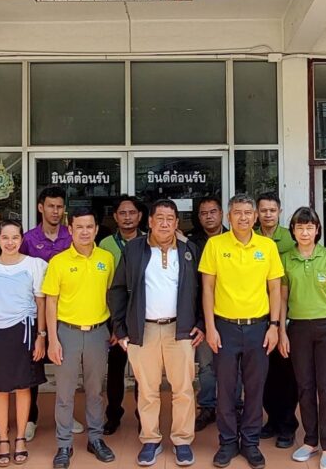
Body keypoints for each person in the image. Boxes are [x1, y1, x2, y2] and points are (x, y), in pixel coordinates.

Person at [108, 199, 204, 467]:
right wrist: (121, 329)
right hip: (144, 329)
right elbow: (118, 290)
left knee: (183, 389)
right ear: (149, 221)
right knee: (147, 390)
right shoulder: (134, 249)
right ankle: (150, 439)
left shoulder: (189, 250)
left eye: (170, 219)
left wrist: (201, 323)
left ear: (177, 223)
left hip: (180, 330)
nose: (164, 223)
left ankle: (182, 440)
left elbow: (201, 290)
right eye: (159, 218)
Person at [200, 194, 284, 469]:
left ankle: (250, 442)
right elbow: (208, 288)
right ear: (229, 216)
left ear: (255, 216)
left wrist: (274, 326)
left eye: (248, 213)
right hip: (224, 327)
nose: (243, 217)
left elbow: (275, 289)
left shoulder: (267, 247)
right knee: (225, 389)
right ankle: (227, 442)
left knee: (255, 388)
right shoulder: (215, 245)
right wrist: (210, 327)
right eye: (237, 212)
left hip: (259, 327)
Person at [43, 208, 117, 469]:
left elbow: (111, 294)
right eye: (79, 227)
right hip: (67, 333)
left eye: (89, 227)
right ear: (70, 230)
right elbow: (50, 303)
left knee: (95, 391)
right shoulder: (59, 262)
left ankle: (95, 438)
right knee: (65, 393)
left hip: (98, 332)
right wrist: (52, 339)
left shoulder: (106, 259)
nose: (85, 232)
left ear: (96, 229)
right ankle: (64, 444)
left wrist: (114, 328)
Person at [0, 220, 47, 468]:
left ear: (22, 239)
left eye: (15, 237)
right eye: (5, 237)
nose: (10, 242)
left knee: (24, 387)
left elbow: (41, 303)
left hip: (25, 332)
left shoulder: (35, 265)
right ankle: (3, 440)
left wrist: (41, 336)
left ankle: (21, 437)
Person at [278, 207, 326, 469]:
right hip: (298, 328)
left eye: (310, 227)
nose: (305, 232)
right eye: (300, 227)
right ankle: (310, 440)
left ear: (317, 230)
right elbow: (282, 298)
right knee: (305, 386)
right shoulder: (286, 259)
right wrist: (281, 331)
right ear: (293, 230)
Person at [20, 185, 83, 439]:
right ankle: (30, 418)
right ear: (40, 208)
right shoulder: (28, 239)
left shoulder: (72, 236)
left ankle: (66, 417)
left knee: (67, 368)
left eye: (59, 207)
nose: (55, 211)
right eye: (50, 206)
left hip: (67, 312)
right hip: (35, 312)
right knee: (32, 366)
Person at [98, 195, 144, 436]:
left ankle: (143, 416)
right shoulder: (105, 244)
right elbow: (103, 285)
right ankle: (113, 414)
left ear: (140, 216)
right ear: (115, 217)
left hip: (141, 316)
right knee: (115, 369)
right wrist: (116, 324)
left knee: (142, 372)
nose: (127, 217)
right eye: (122, 213)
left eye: (132, 213)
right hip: (114, 316)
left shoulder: (149, 241)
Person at [255, 192, 298, 449]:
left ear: (280, 212)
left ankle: (287, 424)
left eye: (272, 210)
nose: (268, 214)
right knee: (264, 373)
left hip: (285, 315)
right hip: (259, 314)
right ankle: (271, 419)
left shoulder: (290, 239)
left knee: (286, 373)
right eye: (264, 210)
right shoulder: (251, 238)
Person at [187, 196, 230, 433]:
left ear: (221, 214)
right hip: (202, 316)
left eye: (213, 211)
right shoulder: (192, 243)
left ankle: (234, 406)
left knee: (233, 366)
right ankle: (207, 407)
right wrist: (201, 321)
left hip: (231, 314)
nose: (209, 216)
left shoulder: (233, 239)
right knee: (206, 365)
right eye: (204, 213)